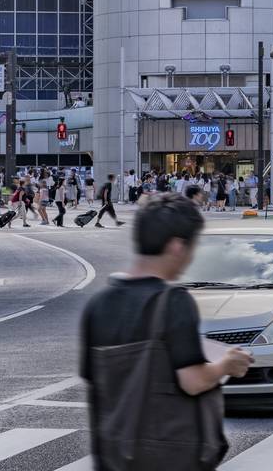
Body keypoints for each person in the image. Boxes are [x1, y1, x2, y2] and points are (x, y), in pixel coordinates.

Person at [79, 195, 251, 471]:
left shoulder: (98, 305)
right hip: (168, 454)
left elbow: (94, 381)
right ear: (176, 246)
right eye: (192, 247)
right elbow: (192, 381)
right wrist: (226, 365)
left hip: (113, 454)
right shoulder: (173, 301)